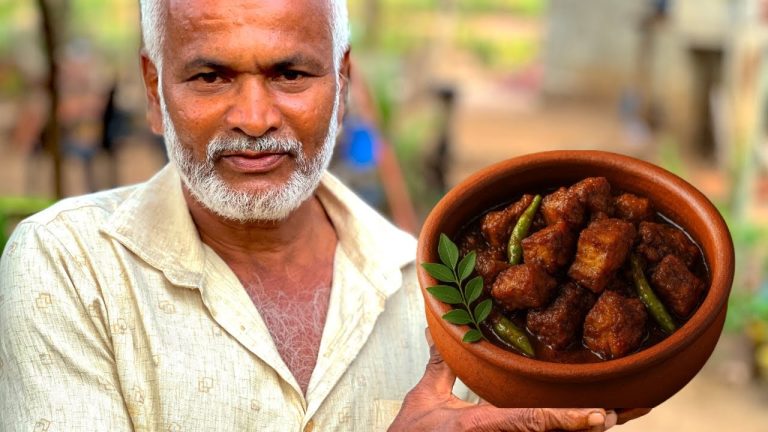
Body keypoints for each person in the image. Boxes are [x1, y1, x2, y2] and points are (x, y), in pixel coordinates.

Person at [0, 0, 645, 430]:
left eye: (290, 73)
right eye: (210, 77)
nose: (254, 118)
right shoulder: (66, 269)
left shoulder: (436, 296)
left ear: (341, 88)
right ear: (152, 92)